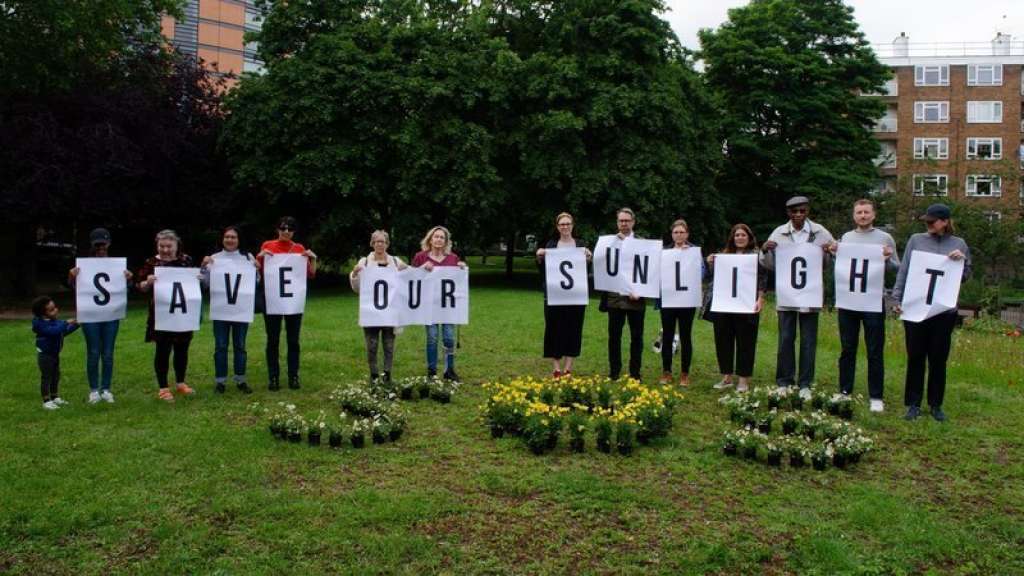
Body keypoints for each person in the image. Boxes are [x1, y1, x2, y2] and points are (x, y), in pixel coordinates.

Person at [892, 203, 970, 422]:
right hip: (916, 308)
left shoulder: (959, 244)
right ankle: (913, 404)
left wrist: (961, 262)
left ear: (945, 222)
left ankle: (936, 404)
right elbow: (904, 271)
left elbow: (965, 277)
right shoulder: (916, 241)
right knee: (915, 356)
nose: (928, 224)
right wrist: (897, 298)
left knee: (938, 359)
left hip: (943, 312)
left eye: (932, 221)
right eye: (926, 221)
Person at [828, 199, 899, 413]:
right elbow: (840, 268)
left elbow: (898, 267)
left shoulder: (885, 238)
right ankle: (844, 391)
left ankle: (876, 396)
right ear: (854, 216)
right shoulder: (847, 238)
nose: (863, 216)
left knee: (874, 350)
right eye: (859, 212)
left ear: (874, 215)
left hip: (873, 301)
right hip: (849, 301)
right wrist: (833, 254)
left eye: (866, 212)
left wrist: (887, 258)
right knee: (847, 349)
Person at [761, 196, 834, 399]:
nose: (799, 215)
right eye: (795, 212)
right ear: (788, 213)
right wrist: (766, 250)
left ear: (808, 211)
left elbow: (832, 259)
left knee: (809, 340)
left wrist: (829, 252)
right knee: (786, 339)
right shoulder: (779, 232)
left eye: (802, 211)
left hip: (811, 294)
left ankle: (805, 384)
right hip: (787, 296)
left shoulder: (820, 232)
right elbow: (767, 264)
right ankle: (784, 380)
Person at [68, 227, 132, 404]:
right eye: (98, 245)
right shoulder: (84, 265)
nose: (101, 248)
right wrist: (72, 277)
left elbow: (124, 290)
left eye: (103, 245)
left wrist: (128, 279)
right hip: (90, 315)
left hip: (110, 314)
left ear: (109, 244)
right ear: (92, 245)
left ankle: (106, 388)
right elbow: (76, 289)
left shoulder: (116, 265)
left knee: (108, 353)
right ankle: (94, 390)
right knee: (93, 352)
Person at [136, 229, 197, 402]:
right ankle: (163, 387)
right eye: (161, 246)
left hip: (183, 312)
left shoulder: (186, 261)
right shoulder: (151, 263)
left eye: (168, 246)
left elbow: (194, 284)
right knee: (163, 350)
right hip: (161, 314)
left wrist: (198, 278)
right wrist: (147, 282)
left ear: (177, 245)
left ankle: (180, 382)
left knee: (182, 349)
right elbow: (139, 287)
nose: (165, 250)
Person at [257, 216, 317, 391]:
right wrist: (260, 257)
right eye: (283, 228)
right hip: (272, 300)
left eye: (290, 229)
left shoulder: (299, 248)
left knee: (293, 341)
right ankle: (273, 377)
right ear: (277, 229)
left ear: (294, 232)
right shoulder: (267, 246)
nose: (286, 232)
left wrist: (312, 258)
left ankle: (293, 376)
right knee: (273, 340)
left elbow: (310, 274)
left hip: (293, 301)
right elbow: (257, 270)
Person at [706, 224, 766, 392]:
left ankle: (743, 380)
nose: (739, 237)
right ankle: (726, 377)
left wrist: (760, 298)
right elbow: (712, 278)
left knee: (746, 342)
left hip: (746, 304)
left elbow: (763, 277)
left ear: (749, 237)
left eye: (743, 235)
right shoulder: (724, 255)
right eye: (736, 235)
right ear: (732, 238)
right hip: (724, 305)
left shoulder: (757, 256)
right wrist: (711, 262)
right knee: (723, 341)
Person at [201, 226, 257, 395]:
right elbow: (205, 284)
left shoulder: (247, 257)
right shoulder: (214, 259)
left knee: (240, 346)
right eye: (227, 237)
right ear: (222, 239)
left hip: (241, 309)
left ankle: (240, 379)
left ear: (239, 240)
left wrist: (257, 269)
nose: (230, 240)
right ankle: (220, 381)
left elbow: (256, 283)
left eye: (233, 237)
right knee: (221, 346)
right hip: (221, 310)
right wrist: (204, 267)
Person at [535, 212, 592, 378]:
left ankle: (568, 367)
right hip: (554, 296)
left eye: (568, 224)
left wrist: (588, 258)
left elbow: (585, 270)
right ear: (557, 227)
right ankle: (556, 367)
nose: (565, 227)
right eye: (562, 224)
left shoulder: (580, 245)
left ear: (572, 226)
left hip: (576, 296)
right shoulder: (551, 245)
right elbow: (543, 270)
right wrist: (539, 257)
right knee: (553, 330)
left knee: (573, 329)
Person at [349, 230, 407, 383]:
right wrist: (354, 275)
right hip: (371, 312)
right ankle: (374, 374)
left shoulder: (395, 262)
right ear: (372, 243)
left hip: (390, 311)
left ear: (387, 244)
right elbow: (357, 288)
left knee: (389, 345)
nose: (380, 244)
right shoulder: (365, 262)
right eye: (377, 241)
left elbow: (410, 276)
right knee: (372, 345)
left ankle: (387, 373)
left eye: (383, 241)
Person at [411, 225, 467, 381]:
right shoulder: (420, 257)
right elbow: (410, 277)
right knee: (432, 337)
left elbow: (458, 282)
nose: (439, 239)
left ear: (446, 241)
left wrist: (462, 270)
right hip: (429, 305)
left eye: (442, 237)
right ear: (430, 239)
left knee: (449, 337)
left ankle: (449, 369)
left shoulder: (453, 258)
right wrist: (422, 268)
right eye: (436, 236)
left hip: (447, 305)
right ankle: (432, 370)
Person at [605, 208, 647, 381]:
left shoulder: (643, 243)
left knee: (636, 337)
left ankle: (635, 373)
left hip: (635, 298)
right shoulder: (608, 242)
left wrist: (641, 292)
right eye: (621, 220)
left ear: (633, 222)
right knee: (614, 337)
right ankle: (614, 372)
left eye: (627, 220)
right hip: (615, 298)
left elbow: (648, 271)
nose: (624, 223)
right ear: (617, 222)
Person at [658, 219, 701, 387]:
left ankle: (685, 373)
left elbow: (702, 272)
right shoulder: (664, 252)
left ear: (687, 234)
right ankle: (666, 371)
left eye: (682, 232)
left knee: (685, 336)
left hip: (687, 300)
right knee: (667, 336)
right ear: (672, 234)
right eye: (676, 232)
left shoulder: (694, 251)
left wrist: (690, 256)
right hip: (668, 299)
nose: (679, 235)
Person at [31, 296, 79, 410]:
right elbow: (54, 331)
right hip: (45, 355)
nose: (56, 310)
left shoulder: (54, 321)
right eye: (51, 309)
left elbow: (62, 332)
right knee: (46, 377)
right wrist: (66, 322)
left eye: (55, 307)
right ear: (43, 314)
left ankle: (55, 397)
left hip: (54, 354)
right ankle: (46, 401)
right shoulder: (39, 324)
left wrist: (77, 325)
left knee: (55, 376)